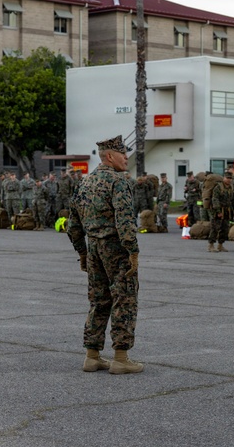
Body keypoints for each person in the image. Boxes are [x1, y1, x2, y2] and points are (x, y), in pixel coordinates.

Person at [66, 135, 142, 375]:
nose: (127, 157)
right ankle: (121, 358)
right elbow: (125, 220)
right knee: (124, 299)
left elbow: (73, 225)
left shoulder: (85, 183)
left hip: (94, 249)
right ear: (110, 156)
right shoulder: (118, 182)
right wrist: (133, 250)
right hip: (116, 249)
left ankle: (92, 356)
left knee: (98, 301)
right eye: (123, 154)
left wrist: (82, 252)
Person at [206, 171, 234, 252]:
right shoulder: (218, 187)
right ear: (224, 178)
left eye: (230, 178)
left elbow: (233, 200)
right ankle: (211, 245)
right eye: (227, 178)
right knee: (214, 228)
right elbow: (215, 199)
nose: (229, 180)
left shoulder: (231, 188)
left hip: (227, 211)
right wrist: (218, 211)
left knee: (225, 228)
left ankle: (220, 245)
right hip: (217, 211)